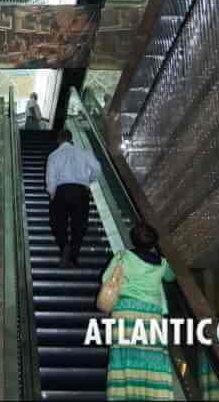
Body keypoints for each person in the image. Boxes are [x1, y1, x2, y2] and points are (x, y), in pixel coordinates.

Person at [102, 222, 176, 400]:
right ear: (153, 243)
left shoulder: (122, 257)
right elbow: (171, 277)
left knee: (124, 357)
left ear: (133, 240)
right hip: (151, 315)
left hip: (124, 312)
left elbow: (106, 279)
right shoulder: (162, 263)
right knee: (152, 358)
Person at [46, 129, 102, 267]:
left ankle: (65, 246)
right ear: (71, 138)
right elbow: (97, 168)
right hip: (81, 191)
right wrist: (89, 181)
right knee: (79, 225)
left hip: (62, 190)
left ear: (59, 140)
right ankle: (74, 255)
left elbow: (50, 176)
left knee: (57, 222)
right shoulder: (84, 152)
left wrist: (52, 192)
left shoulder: (54, 155)